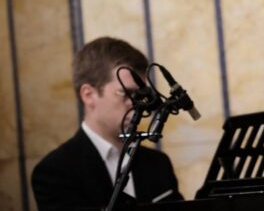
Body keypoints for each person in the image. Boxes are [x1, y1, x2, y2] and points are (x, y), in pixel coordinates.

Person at [32, 37, 183, 210]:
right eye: (126, 93)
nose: (137, 103)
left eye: (140, 94)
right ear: (88, 95)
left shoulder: (158, 164)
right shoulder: (55, 171)